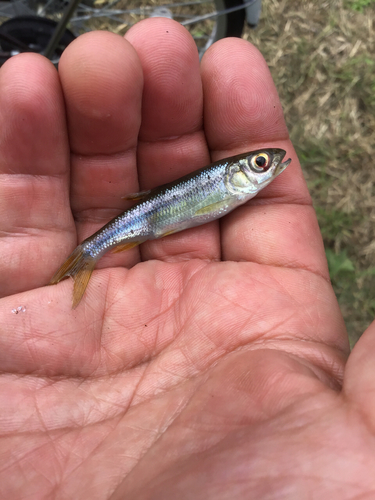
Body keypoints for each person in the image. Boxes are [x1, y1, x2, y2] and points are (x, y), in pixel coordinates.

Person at [0, 17, 374, 499]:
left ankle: (83, 261)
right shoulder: (222, 190)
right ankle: (84, 259)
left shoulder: (233, 193)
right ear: (238, 176)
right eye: (260, 164)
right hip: (146, 219)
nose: (270, 167)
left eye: (263, 164)